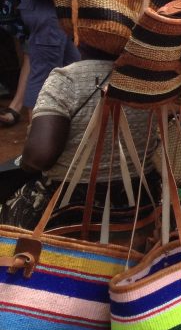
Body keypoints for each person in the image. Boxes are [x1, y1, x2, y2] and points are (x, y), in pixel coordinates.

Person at [0, 47, 159, 228]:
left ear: (77, 33)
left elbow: (38, 157)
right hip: (139, 202)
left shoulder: (66, 79)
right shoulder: (147, 79)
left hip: (70, 207)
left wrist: (25, 163)